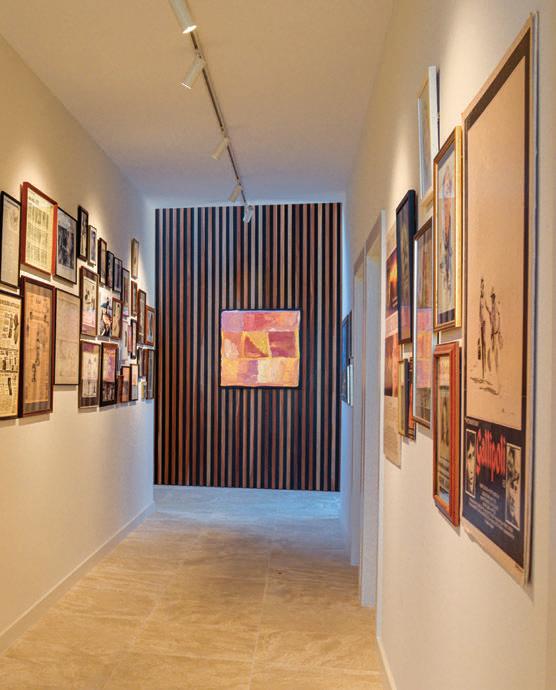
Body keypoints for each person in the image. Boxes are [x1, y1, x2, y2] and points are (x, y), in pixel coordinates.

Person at [478, 278, 487, 381]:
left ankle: (485, 373)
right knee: (480, 349)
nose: (482, 289)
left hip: (485, 326)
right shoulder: (480, 300)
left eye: (483, 287)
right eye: (481, 287)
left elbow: (489, 310)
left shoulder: (484, 300)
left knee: (485, 348)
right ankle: (483, 373)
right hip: (480, 326)